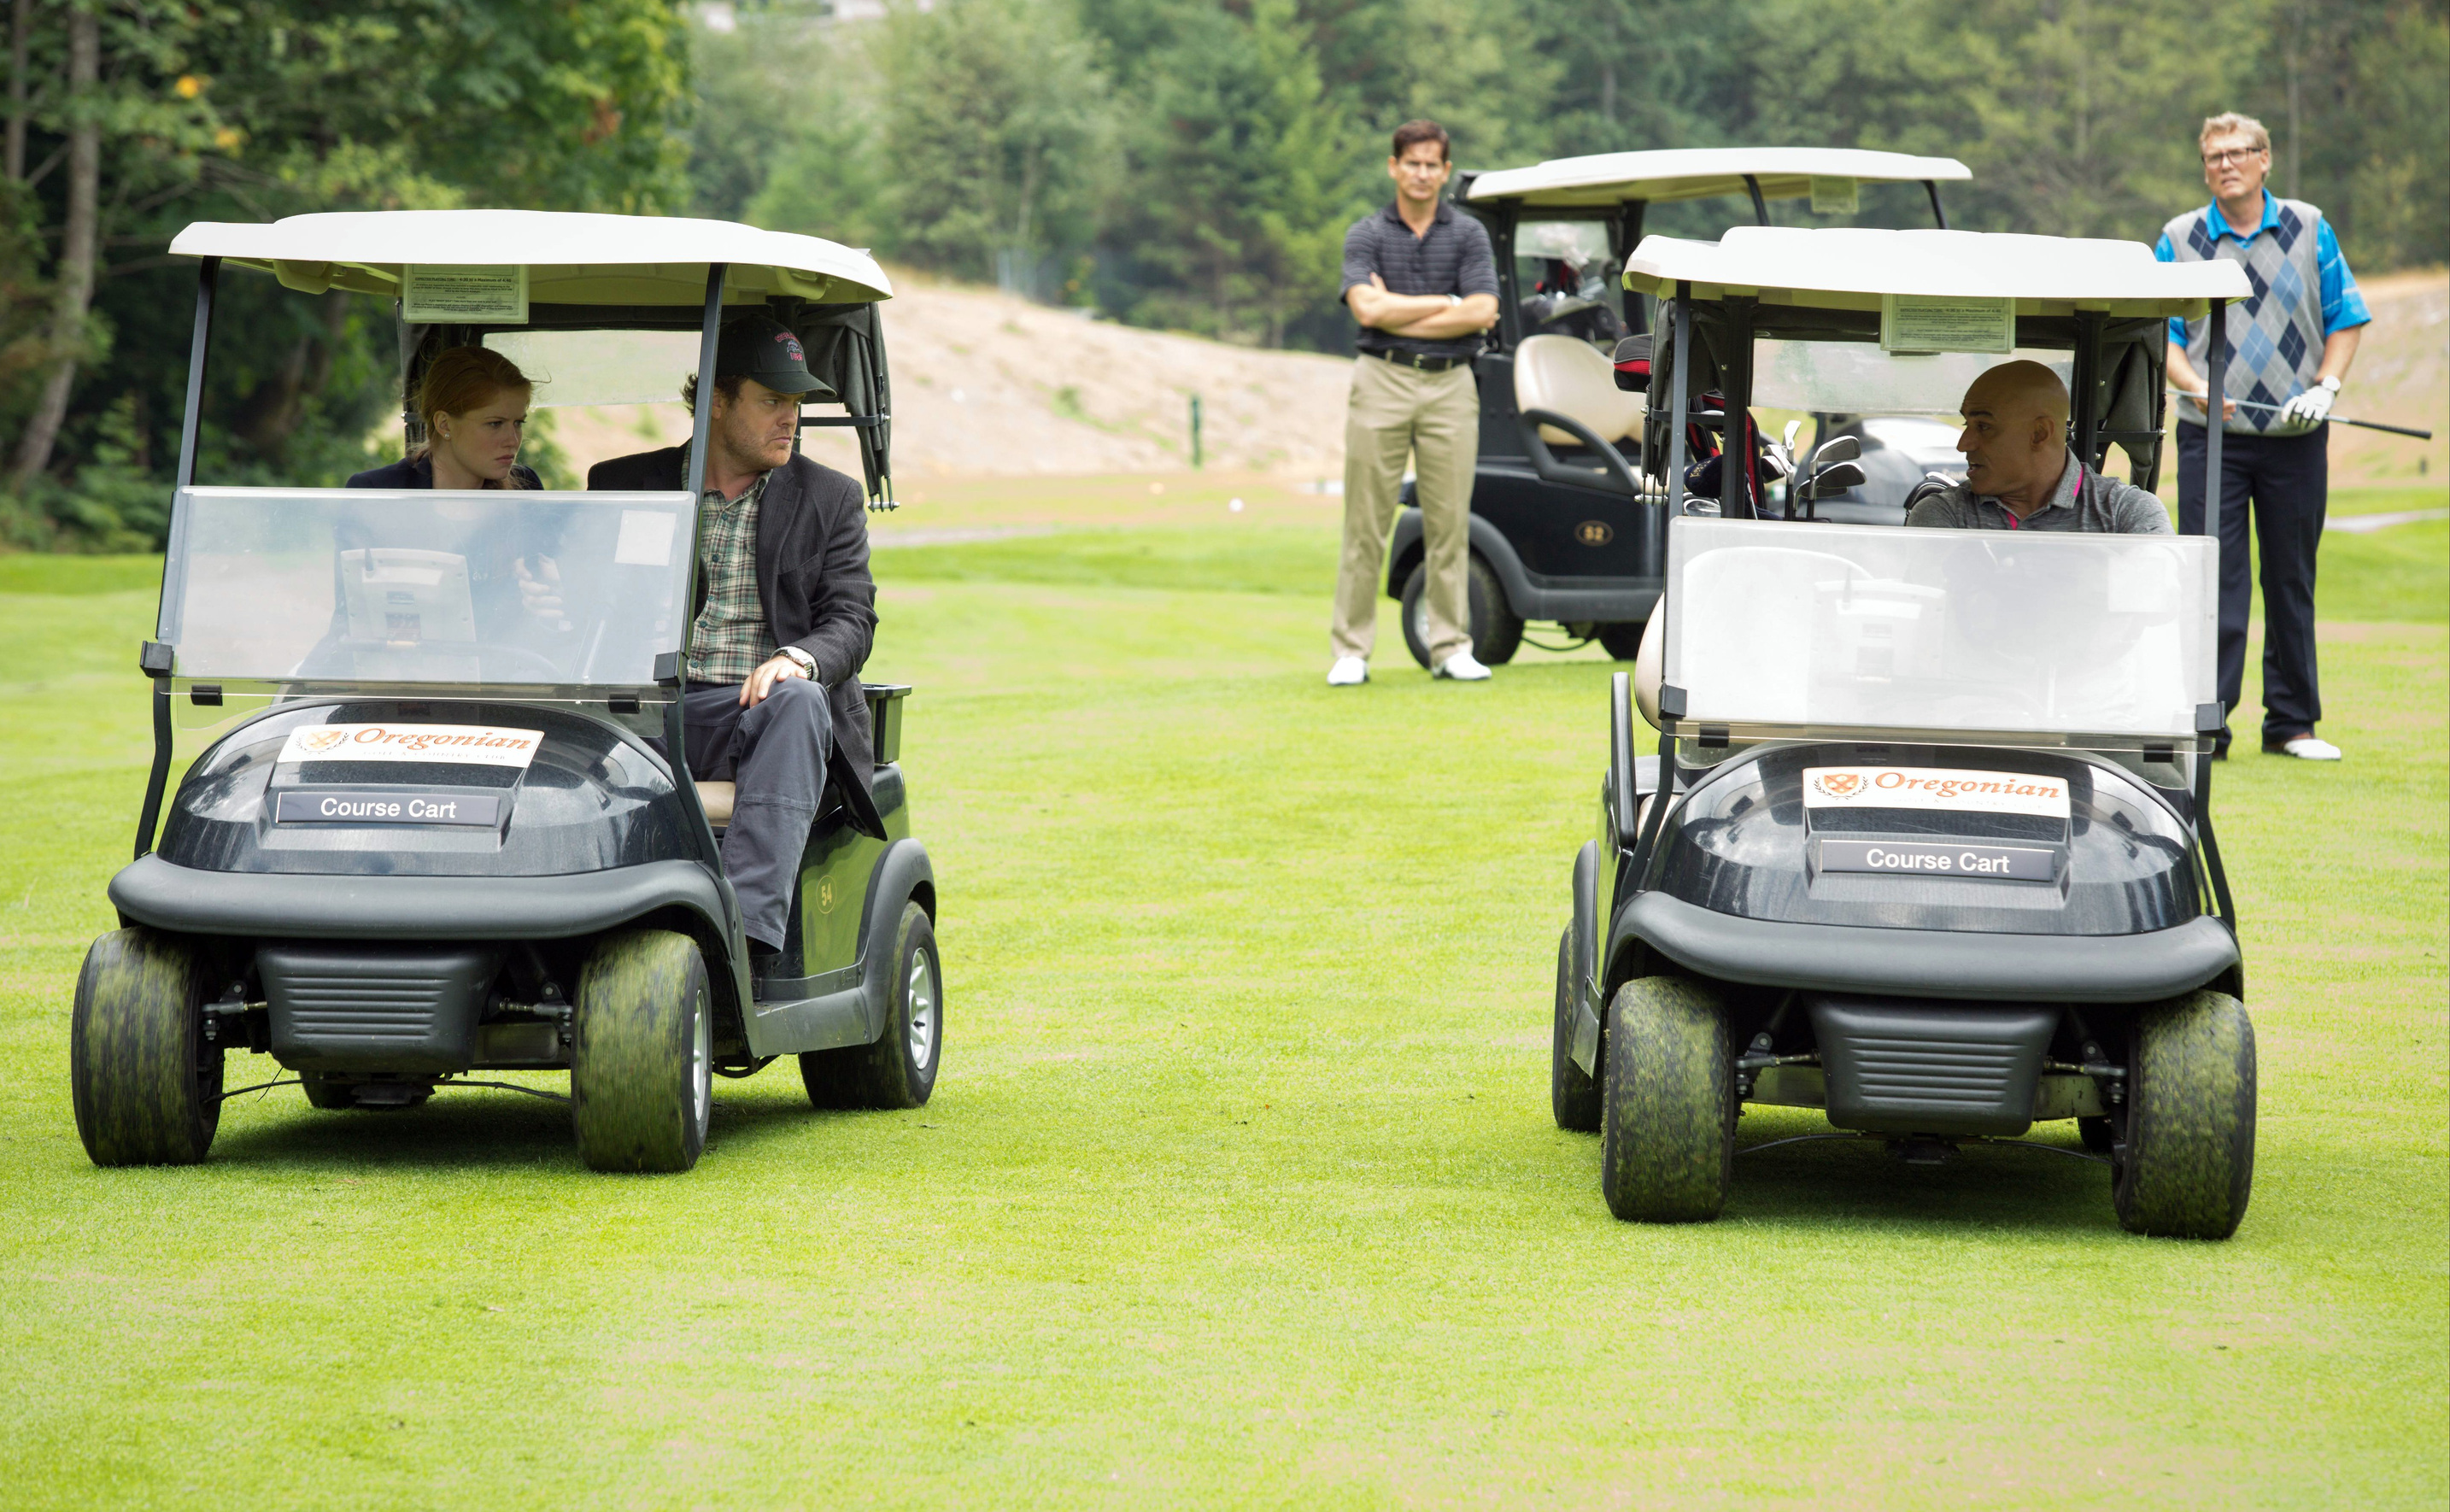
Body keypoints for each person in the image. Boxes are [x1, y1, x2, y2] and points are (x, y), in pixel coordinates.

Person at [589, 314, 884, 965]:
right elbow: (588, 613)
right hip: (647, 713)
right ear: (717, 400)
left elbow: (852, 618)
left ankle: (742, 944)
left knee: (801, 700)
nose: (792, 420)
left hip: (758, 718)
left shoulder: (829, 498)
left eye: (798, 404)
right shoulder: (623, 485)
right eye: (773, 401)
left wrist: (797, 658)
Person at [2154, 110, 2369, 761]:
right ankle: (2207, 727)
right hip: (2209, 435)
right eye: (2213, 156)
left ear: (2264, 159)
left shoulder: (2308, 225)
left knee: (2289, 576)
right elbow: (2160, 329)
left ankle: (2292, 724)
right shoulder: (2180, 236)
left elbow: (2346, 316)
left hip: (2296, 434)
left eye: (2238, 152)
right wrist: (2194, 383)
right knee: (2213, 578)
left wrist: (2326, 388)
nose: (2225, 164)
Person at [1328, 119, 1501, 686]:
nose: (1422, 173)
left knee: (1449, 521)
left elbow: (1481, 312)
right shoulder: (1366, 234)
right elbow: (1367, 312)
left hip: (1452, 382)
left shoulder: (1470, 235)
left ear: (1445, 171)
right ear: (1394, 166)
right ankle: (1351, 650)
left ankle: (1450, 645)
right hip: (1382, 378)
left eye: (1433, 164)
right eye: (1413, 163)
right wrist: (1444, 302)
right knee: (1366, 520)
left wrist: (1401, 305)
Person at [1906, 360, 2172, 534]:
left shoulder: (2127, 513)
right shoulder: (1943, 515)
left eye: (1984, 427)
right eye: (1967, 424)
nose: (1963, 444)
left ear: (2039, 433)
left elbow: (2161, 609)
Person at [350, 345, 542, 491]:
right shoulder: (376, 491)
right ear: (444, 424)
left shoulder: (526, 488)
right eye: (495, 424)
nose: (513, 440)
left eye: (518, 423)